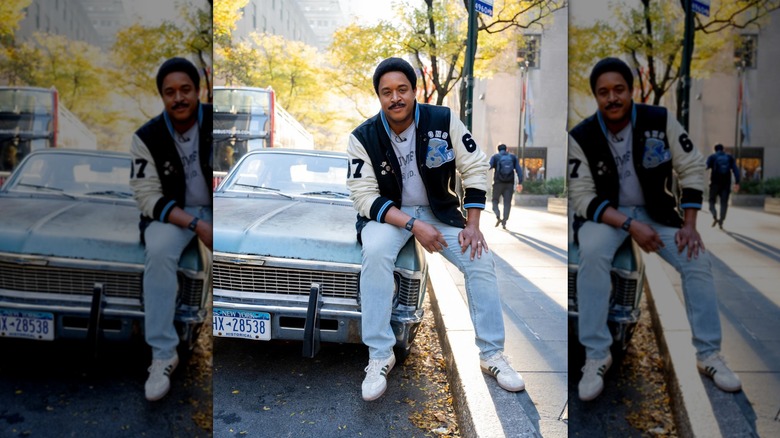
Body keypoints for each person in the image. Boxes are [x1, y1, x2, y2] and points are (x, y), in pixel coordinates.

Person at [346, 57, 524, 401]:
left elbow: (474, 167)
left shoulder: (443, 120)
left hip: (440, 211)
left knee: (480, 259)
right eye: (387, 92)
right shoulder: (362, 137)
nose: (395, 98)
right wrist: (414, 226)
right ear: (379, 97)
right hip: (392, 215)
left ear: (414, 91)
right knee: (376, 251)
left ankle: (492, 354)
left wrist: (473, 225)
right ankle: (381, 354)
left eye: (402, 89)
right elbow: (364, 196)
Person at [568, 57, 741, 401]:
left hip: (658, 213)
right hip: (609, 215)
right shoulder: (582, 135)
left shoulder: (659, 120)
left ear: (631, 91)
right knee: (591, 253)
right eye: (603, 92)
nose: (612, 97)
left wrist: (690, 225)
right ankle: (597, 352)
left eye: (619, 89)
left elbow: (691, 168)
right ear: (596, 97)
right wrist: (632, 226)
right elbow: (581, 195)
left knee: (697, 260)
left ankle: (708, 354)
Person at [129, 57, 213, 401]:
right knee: (159, 251)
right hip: (175, 213)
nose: (178, 98)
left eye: (185, 90)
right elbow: (146, 197)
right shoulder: (145, 137)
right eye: (169, 92)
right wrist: (197, 225)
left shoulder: (218, 121)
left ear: (198, 91)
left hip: (215, 205)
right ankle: (163, 352)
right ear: (162, 96)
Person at [488, 143, 523, 229]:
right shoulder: (512, 157)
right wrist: (520, 182)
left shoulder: (495, 157)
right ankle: (504, 221)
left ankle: (498, 215)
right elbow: (519, 170)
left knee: (495, 201)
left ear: (498, 149)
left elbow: (488, 166)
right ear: (506, 149)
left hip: (497, 184)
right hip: (509, 184)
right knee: (507, 203)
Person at [706, 143, 740, 229]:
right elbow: (736, 170)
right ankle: (721, 220)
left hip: (714, 184)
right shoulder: (729, 157)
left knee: (711, 201)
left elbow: (705, 167)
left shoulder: (712, 157)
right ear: (723, 149)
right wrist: (737, 182)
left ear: (715, 149)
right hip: (725, 185)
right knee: (724, 203)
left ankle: (714, 215)